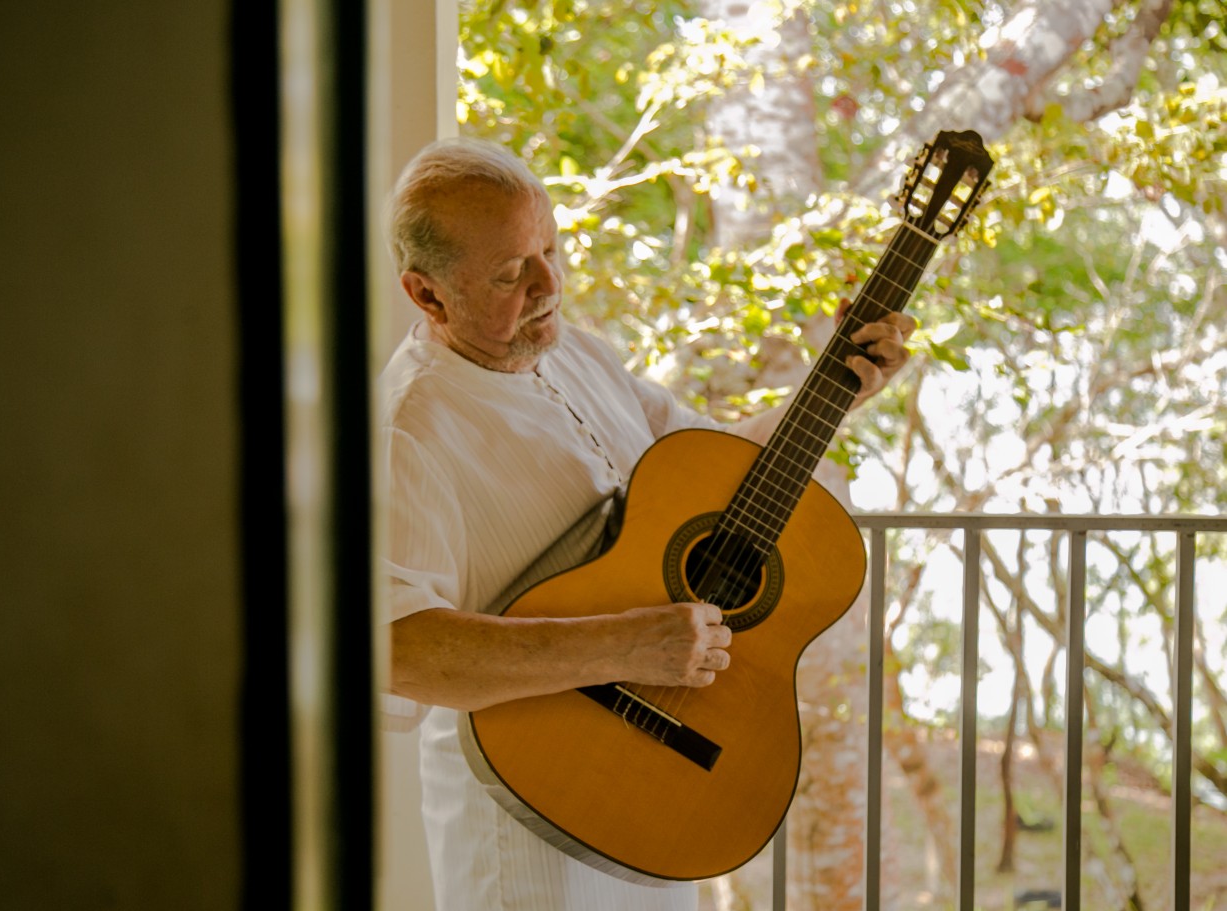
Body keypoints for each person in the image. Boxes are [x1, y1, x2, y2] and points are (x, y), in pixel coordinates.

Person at [381, 137, 914, 911]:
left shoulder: (575, 356)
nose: (549, 284)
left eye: (551, 250)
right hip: (529, 831)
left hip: (660, 798)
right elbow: (398, 648)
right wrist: (627, 644)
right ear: (427, 296)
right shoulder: (408, 429)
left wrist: (837, 389)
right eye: (510, 273)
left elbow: (722, 470)